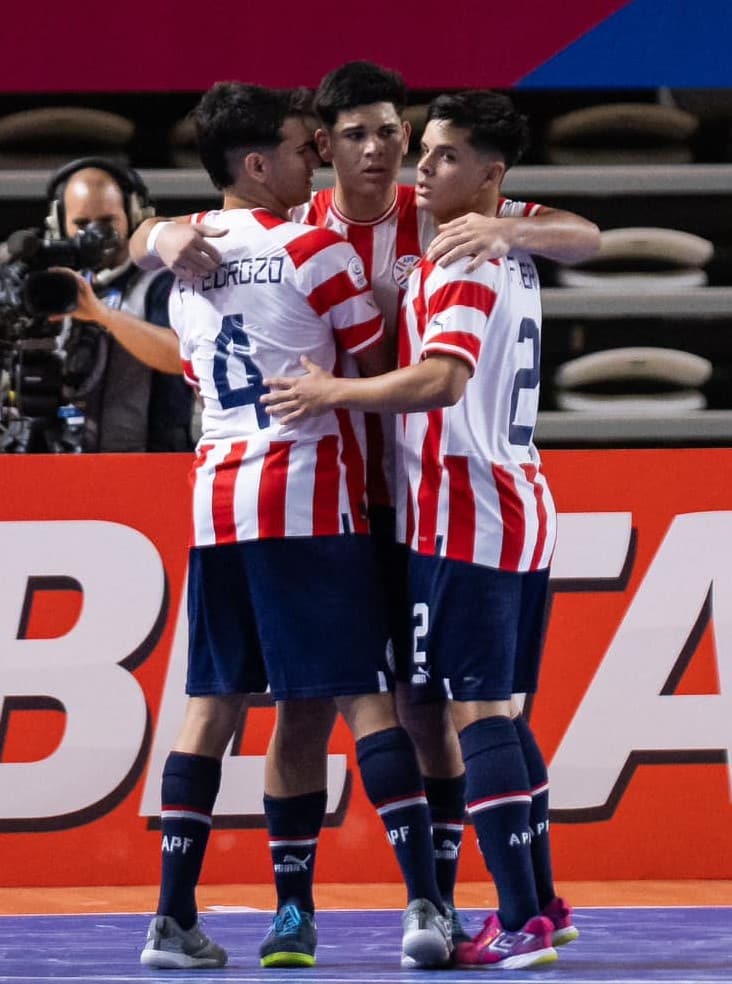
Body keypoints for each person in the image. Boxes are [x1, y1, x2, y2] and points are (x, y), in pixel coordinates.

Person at [128, 63, 598, 955]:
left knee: (435, 708)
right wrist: (155, 237)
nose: (382, 149)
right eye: (354, 135)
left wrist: (504, 226)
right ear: (323, 149)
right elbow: (179, 239)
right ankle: (301, 910)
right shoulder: (305, 230)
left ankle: (451, 900)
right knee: (315, 711)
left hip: (408, 503)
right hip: (350, 500)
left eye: (396, 131)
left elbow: (588, 238)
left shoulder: (459, 222)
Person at [138, 80, 453, 972]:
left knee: (211, 709)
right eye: (297, 143)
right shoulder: (314, 249)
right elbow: (381, 364)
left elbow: (198, 373)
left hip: (216, 503)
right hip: (312, 498)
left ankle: (172, 920)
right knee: (365, 698)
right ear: (255, 162)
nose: (311, 154)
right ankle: (425, 907)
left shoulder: (181, 265)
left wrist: (161, 234)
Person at [261, 88, 578, 970]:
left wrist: (330, 393)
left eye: (437, 153)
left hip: (464, 509)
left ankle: (518, 921)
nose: (419, 166)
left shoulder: (464, 258)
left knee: (474, 709)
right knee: (500, 710)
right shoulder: (500, 246)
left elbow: (440, 379)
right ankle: (545, 901)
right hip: (515, 502)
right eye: (422, 151)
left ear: (491, 176)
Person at [43, 158, 193, 451]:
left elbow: (183, 356)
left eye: (107, 221)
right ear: (59, 224)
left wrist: (103, 315)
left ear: (133, 214)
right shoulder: (52, 283)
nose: (95, 234)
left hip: (151, 460)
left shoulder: (164, 279)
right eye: (82, 224)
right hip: (62, 460)